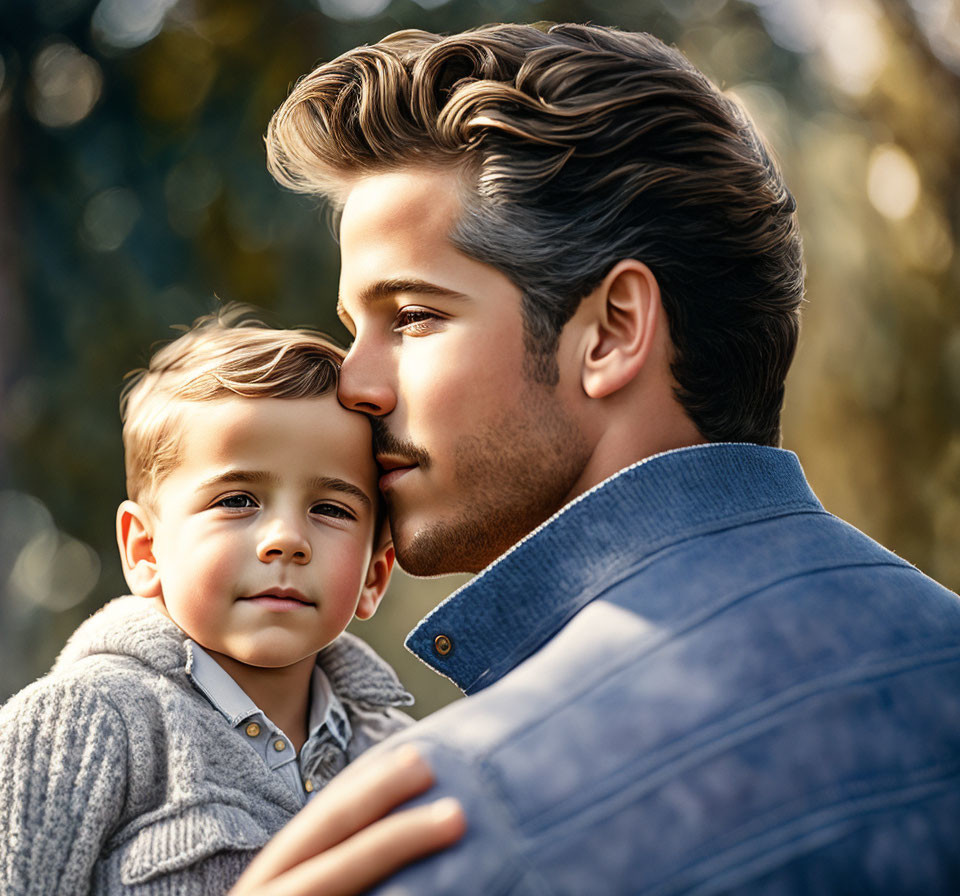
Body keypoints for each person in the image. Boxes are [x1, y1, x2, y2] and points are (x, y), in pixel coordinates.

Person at [233, 21, 960, 895]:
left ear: (613, 331)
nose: (354, 385)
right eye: (357, 332)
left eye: (414, 317)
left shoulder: (449, 823)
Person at [0, 308, 415, 894]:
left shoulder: (402, 758)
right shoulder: (74, 735)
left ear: (375, 576)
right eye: (237, 500)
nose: (286, 539)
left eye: (330, 509)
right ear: (145, 549)